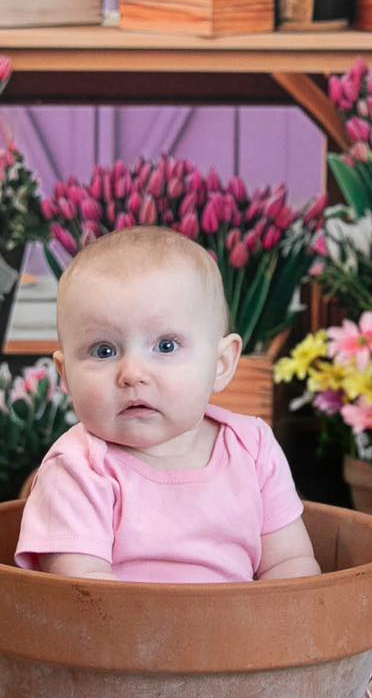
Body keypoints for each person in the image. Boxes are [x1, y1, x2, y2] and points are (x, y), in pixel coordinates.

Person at [16, 224, 320, 582]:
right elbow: (85, 593)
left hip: (245, 618)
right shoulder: (79, 469)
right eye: (103, 351)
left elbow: (290, 564)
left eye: (166, 346)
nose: (132, 374)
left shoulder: (252, 449)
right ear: (66, 374)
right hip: (122, 619)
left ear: (221, 364)